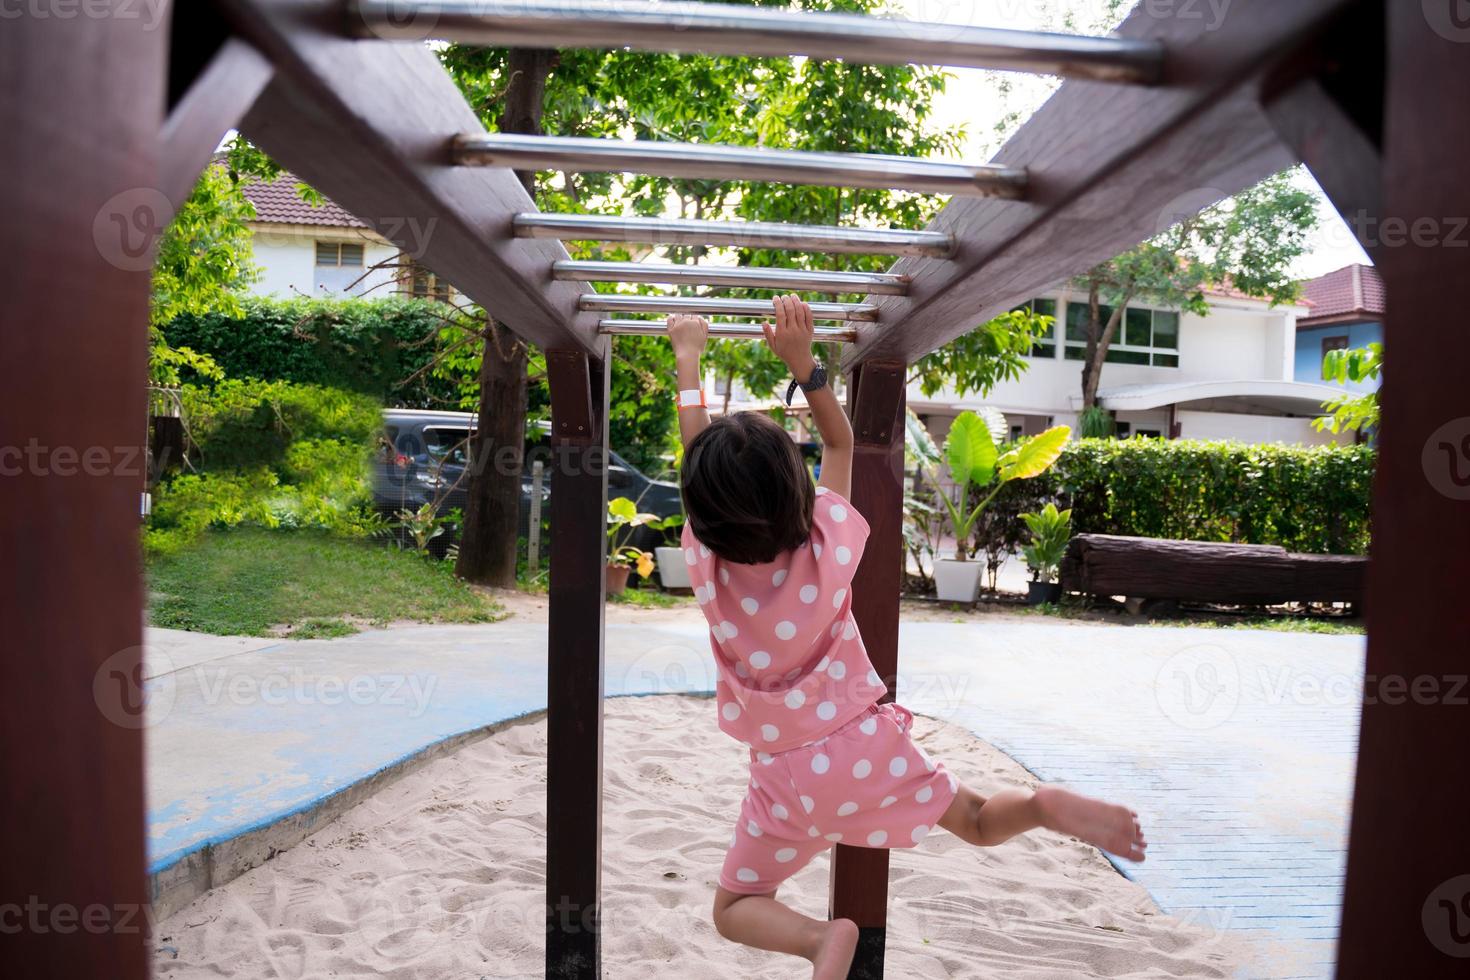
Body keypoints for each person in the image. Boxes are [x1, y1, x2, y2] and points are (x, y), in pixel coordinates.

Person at [668, 297, 1147, 978]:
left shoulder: (707, 568)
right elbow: (840, 444)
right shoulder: (826, 549)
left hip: (784, 780)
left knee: (737, 904)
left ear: (701, 514)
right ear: (799, 497)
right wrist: (804, 368)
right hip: (867, 751)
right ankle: (1040, 805)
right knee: (979, 820)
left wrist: (688, 360)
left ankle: (815, 941)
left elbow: (699, 465)